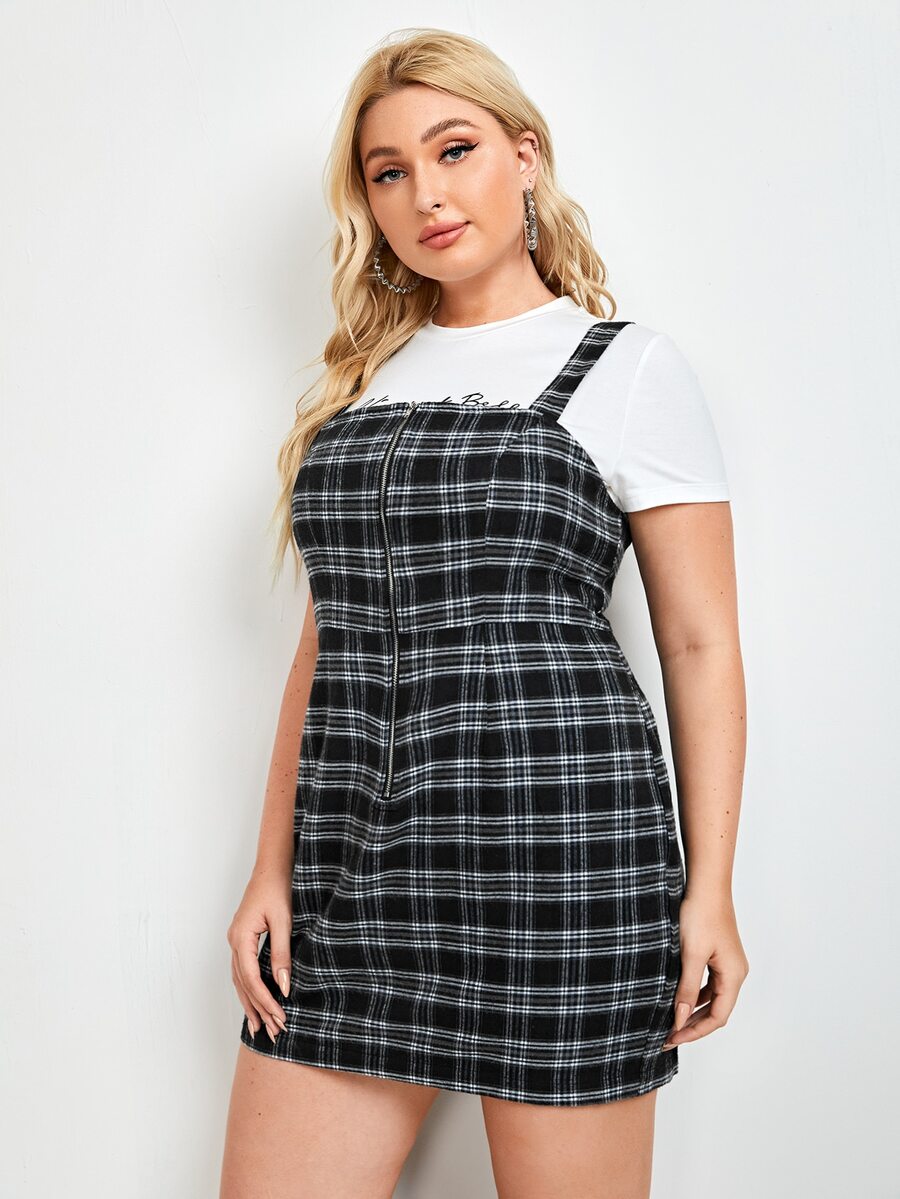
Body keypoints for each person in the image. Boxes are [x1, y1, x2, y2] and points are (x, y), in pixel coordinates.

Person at [219, 27, 749, 1199]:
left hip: (567, 861)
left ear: (525, 157)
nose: (425, 192)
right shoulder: (363, 381)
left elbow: (700, 643)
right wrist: (271, 869)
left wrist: (710, 886)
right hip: (355, 863)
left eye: (453, 149)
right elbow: (325, 645)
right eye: (389, 171)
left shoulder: (630, 368)